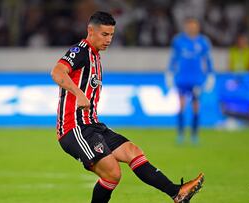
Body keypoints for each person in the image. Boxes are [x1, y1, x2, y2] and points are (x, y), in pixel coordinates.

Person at [50, 11, 204, 203]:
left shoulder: (95, 55)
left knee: (132, 151)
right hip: (74, 128)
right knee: (112, 174)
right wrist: (78, 93)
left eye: (111, 35)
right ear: (90, 31)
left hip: (92, 125)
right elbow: (57, 72)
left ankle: (177, 192)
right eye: (104, 34)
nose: (108, 40)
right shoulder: (81, 51)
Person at [166, 17, 214, 144]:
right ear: (186, 27)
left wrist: (210, 75)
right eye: (189, 26)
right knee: (181, 106)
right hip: (182, 78)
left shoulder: (203, 42)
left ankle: (194, 135)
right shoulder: (178, 41)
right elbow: (174, 58)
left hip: (197, 79)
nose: (192, 28)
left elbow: (208, 60)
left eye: (194, 26)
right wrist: (170, 73)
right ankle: (181, 134)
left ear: (198, 27)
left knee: (196, 107)